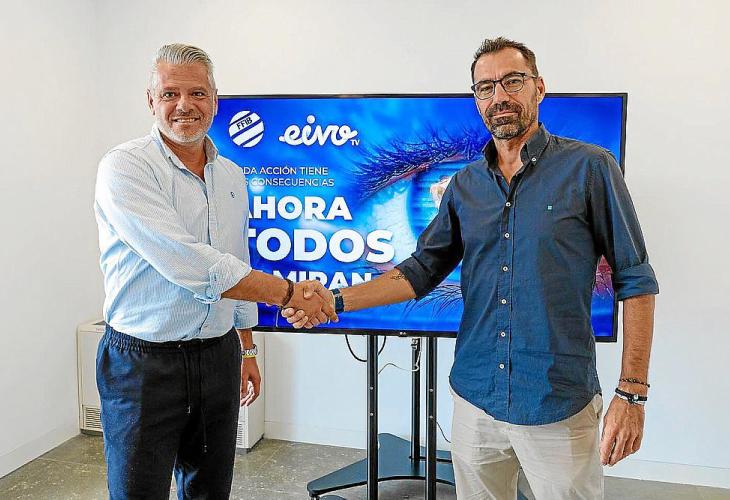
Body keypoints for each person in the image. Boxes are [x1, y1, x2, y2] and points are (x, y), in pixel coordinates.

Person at [284, 37, 658, 499]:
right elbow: (420, 270)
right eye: (486, 87)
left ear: (539, 87)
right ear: (477, 99)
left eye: (512, 81)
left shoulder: (590, 168)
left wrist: (632, 393)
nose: (499, 96)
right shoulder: (464, 184)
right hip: (475, 398)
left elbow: (636, 279)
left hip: (556, 403)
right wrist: (335, 300)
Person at [94, 43, 336, 499]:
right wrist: (289, 294)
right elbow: (191, 264)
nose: (184, 105)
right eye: (170, 94)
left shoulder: (231, 176)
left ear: (215, 100)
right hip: (143, 366)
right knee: (137, 492)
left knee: (210, 490)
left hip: (217, 357)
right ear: (151, 101)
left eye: (197, 93)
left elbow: (235, 260)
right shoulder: (124, 168)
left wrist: (247, 348)